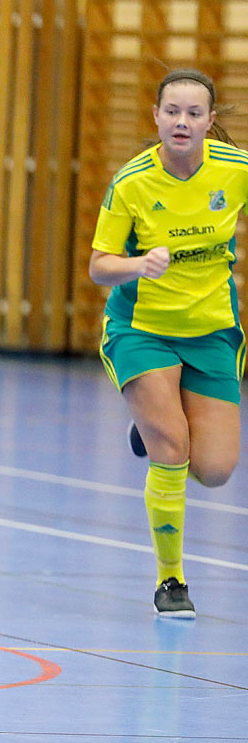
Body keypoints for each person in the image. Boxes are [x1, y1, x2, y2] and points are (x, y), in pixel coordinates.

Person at [90, 67, 248, 620]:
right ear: (156, 117)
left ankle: (152, 426)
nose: (182, 121)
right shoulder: (132, 182)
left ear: (210, 121)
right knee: (172, 449)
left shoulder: (234, 172)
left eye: (194, 113)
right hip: (142, 331)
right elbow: (98, 267)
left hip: (210, 334)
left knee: (216, 469)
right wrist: (140, 263)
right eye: (172, 111)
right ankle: (171, 580)